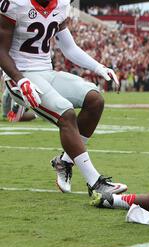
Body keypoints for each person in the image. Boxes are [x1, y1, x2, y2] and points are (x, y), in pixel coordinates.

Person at [0, 0, 127, 196]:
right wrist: (20, 79)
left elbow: (69, 47)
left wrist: (98, 67)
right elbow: (1, 49)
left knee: (95, 100)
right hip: (20, 76)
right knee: (66, 114)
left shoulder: (60, 4)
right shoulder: (16, 3)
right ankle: (96, 184)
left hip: (46, 72)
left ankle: (65, 162)